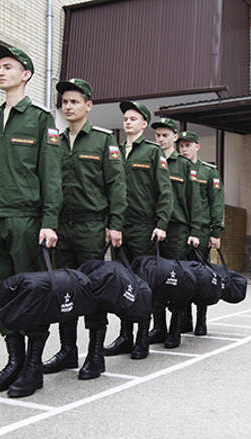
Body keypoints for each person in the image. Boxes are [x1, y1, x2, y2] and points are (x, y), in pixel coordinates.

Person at [0, 45, 62, 397]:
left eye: (7, 67)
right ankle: (14, 361)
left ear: (26, 74)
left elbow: (51, 176)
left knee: (31, 293)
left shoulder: (40, 120)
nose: (0, 72)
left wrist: (49, 222)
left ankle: (33, 366)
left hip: (26, 221)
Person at [41, 78, 126, 380]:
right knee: (64, 290)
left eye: (75, 101)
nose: (68, 106)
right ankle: (67, 351)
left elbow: (117, 185)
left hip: (92, 227)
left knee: (91, 290)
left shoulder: (103, 140)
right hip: (62, 227)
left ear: (89, 106)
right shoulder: (56, 141)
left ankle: (95, 354)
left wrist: (115, 224)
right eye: (64, 102)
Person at [103, 101, 173, 360]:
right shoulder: (114, 151)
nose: (128, 122)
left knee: (143, 284)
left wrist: (161, 224)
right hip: (119, 227)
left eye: (134, 118)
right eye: (126, 118)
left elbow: (165, 191)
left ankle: (142, 336)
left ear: (144, 124)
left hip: (144, 228)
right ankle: (125, 336)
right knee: (122, 283)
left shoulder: (153, 152)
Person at [149, 118, 201, 349]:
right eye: (158, 135)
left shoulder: (184, 165)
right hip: (153, 229)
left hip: (178, 230)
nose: (160, 139)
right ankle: (158, 327)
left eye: (165, 135)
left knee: (176, 281)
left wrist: (195, 230)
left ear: (175, 137)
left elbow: (195, 201)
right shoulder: (150, 158)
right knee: (155, 280)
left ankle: (175, 329)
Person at [178, 130, 224, 336]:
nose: (184, 149)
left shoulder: (208, 172)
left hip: (203, 232)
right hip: (179, 232)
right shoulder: (176, 168)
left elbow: (217, 203)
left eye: (188, 145)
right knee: (182, 277)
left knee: (201, 277)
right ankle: (184, 319)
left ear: (197, 146)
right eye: (181, 145)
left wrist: (216, 232)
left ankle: (201, 320)